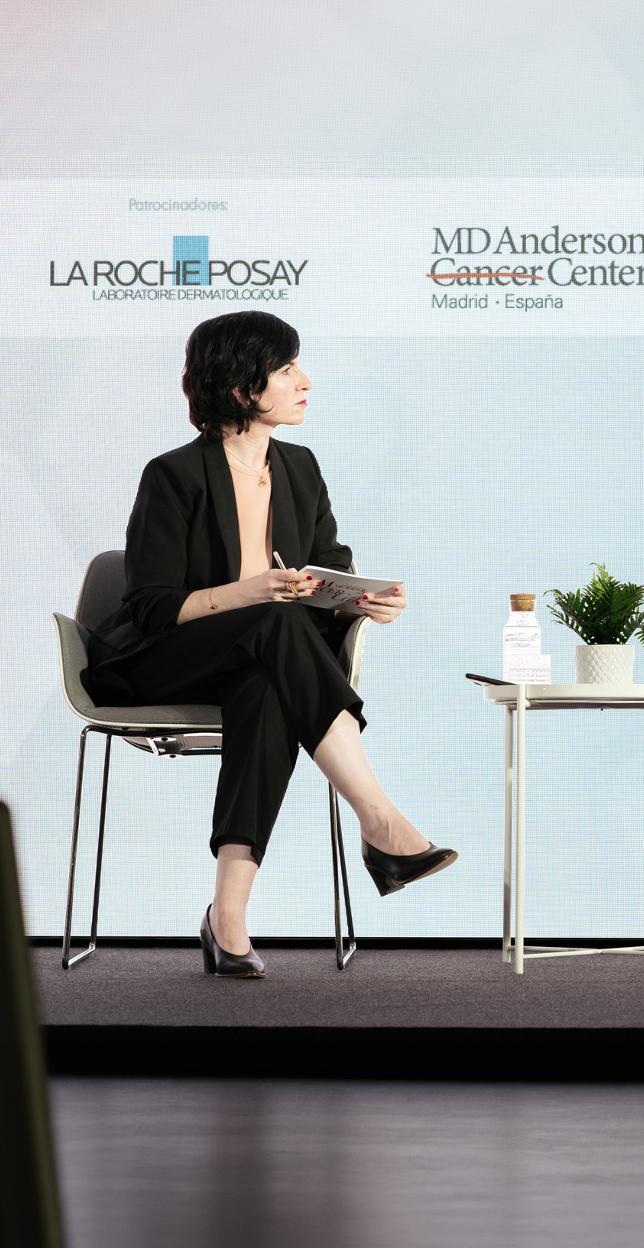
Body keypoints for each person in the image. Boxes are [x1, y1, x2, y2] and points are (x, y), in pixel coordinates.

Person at [88, 311, 457, 978]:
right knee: (274, 621)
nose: (304, 381)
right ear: (239, 388)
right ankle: (380, 820)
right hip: (158, 663)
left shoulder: (301, 468)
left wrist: (364, 604)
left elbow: (325, 575)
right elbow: (148, 608)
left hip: (261, 660)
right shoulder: (172, 475)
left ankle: (227, 918)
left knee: (265, 689)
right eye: (287, 369)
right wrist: (255, 591)